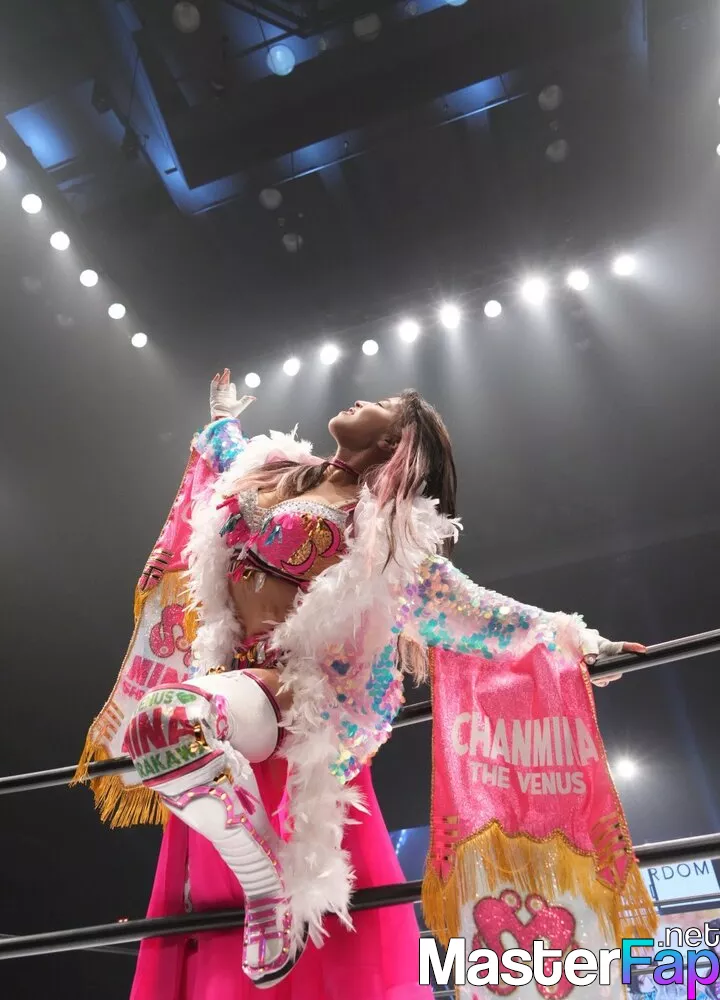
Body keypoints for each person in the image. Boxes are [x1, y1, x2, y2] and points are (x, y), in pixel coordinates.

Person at [77, 370, 646, 999]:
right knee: (160, 736)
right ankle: (261, 873)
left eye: (381, 405)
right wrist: (222, 420)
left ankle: (267, 888)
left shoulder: (382, 534)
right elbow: (227, 458)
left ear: (394, 442)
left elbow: (471, 609)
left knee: (169, 722)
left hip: (291, 695)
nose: (361, 399)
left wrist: (580, 641)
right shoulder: (276, 470)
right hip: (225, 684)